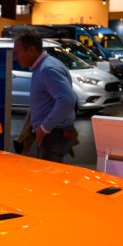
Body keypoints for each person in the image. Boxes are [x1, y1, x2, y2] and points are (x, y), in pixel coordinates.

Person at [12, 28, 77, 163]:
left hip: (54, 135)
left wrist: (44, 128)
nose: (15, 57)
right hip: (54, 134)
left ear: (31, 50)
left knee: (49, 178)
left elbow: (67, 100)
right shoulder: (45, 66)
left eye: (17, 52)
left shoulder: (47, 69)